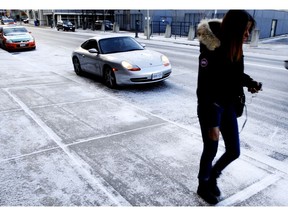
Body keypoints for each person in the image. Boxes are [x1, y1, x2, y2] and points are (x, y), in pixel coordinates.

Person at [196, 10, 262, 204]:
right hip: (212, 108)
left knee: (234, 150)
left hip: (228, 106)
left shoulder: (235, 47)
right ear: (235, 29)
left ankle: (214, 174)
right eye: (245, 30)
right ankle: (203, 184)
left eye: (249, 31)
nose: (247, 35)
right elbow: (204, 87)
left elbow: (235, 75)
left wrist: (250, 82)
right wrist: (211, 120)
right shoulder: (211, 50)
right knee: (211, 148)